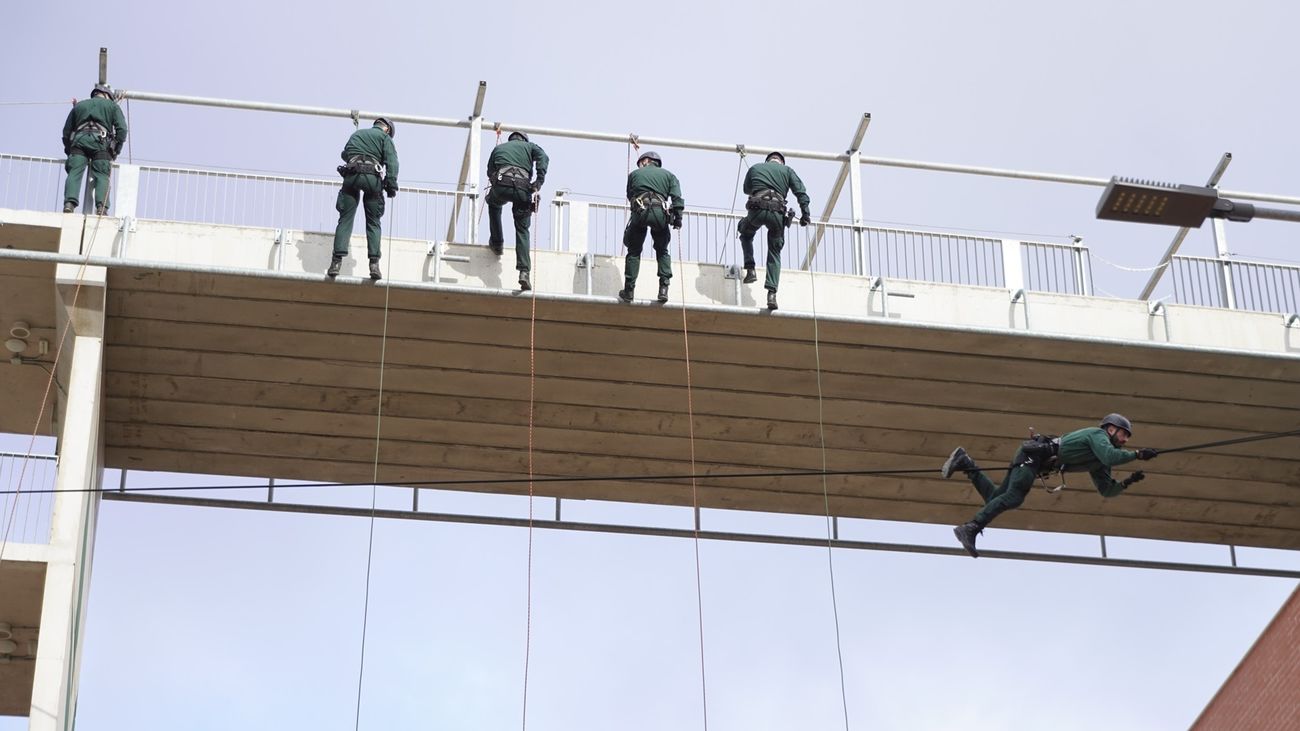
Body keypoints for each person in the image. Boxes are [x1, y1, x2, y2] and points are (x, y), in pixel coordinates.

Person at [940, 413, 1159, 558]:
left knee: (995, 499)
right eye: (1124, 434)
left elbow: (1106, 490)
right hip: (1032, 457)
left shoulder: (1100, 459)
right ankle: (970, 528)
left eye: (1128, 438)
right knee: (1014, 497)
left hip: (1033, 460)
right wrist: (1137, 455)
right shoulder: (1098, 435)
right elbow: (1112, 456)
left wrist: (1128, 482)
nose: (1126, 440)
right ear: (1111, 429)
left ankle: (966, 463)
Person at [737, 151, 811, 311]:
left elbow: (746, 189)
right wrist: (805, 214)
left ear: (768, 161)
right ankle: (771, 294)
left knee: (745, 233)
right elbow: (801, 192)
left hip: (756, 211)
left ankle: (750, 269)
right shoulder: (788, 171)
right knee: (774, 252)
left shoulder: (756, 168)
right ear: (781, 162)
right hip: (777, 215)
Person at [329, 117, 399, 280]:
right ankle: (374, 265)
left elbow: (345, 154)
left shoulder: (358, 134)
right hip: (371, 179)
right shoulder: (384, 138)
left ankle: (336, 263)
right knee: (373, 222)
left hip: (351, 177)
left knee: (345, 219)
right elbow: (392, 163)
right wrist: (391, 185)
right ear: (387, 129)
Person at [618, 151, 685, 304]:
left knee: (634, 251)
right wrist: (678, 218)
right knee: (662, 251)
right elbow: (677, 198)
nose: (640, 165)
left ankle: (629, 290)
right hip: (659, 215)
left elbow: (630, 195)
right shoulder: (669, 176)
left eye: (641, 162)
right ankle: (663, 289)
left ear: (647, 160)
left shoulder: (634, 175)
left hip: (640, 213)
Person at [486, 131, 549, 291]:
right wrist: (539, 181)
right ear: (524, 139)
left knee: (493, 204)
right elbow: (543, 157)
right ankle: (524, 272)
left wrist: (498, 180)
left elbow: (490, 171)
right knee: (522, 229)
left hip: (501, 186)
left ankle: (497, 243)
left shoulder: (499, 148)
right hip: (522, 189)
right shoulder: (530, 147)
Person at [61, 83, 128, 215]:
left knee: (74, 172)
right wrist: (115, 150)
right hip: (100, 143)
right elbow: (122, 130)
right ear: (107, 96)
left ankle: (69, 203)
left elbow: (66, 132)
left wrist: (69, 151)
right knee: (102, 175)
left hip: (79, 142)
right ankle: (101, 207)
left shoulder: (79, 106)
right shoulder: (112, 106)